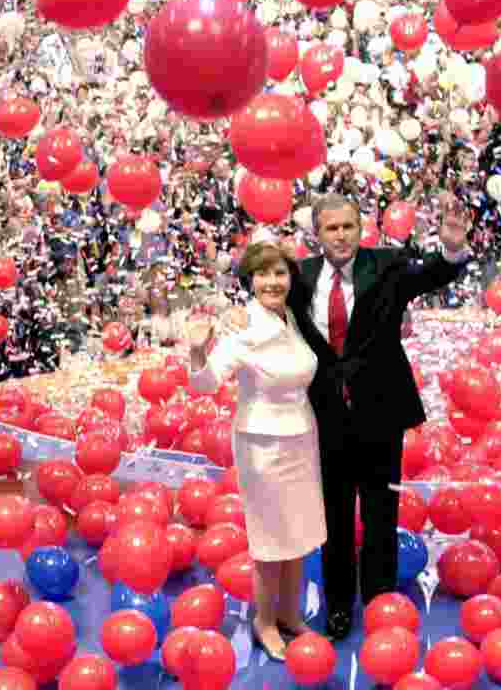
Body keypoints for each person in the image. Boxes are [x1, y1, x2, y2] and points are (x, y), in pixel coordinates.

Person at [233, 193, 472, 640]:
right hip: (324, 418)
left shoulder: (386, 264)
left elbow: (433, 275)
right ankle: (339, 607)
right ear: (317, 234)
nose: (340, 236)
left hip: (381, 411)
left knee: (382, 512)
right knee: (334, 519)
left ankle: (380, 603)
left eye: (348, 226)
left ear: (360, 228)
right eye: (331, 228)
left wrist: (452, 249)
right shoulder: (298, 277)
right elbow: (258, 292)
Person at [187, 242, 325, 661]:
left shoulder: (294, 317)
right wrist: (197, 350)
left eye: (279, 273)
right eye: (263, 275)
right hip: (263, 443)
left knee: (298, 532)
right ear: (250, 281)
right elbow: (207, 384)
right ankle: (265, 621)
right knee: (270, 539)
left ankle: (289, 612)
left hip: (302, 434)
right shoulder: (243, 328)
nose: (272, 282)